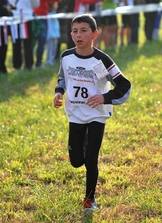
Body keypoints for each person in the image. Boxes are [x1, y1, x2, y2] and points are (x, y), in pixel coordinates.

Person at [53, 14, 131, 210]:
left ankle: (90, 200)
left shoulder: (100, 61)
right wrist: (58, 92)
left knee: (90, 160)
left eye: (84, 31)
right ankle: (84, 143)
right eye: (75, 31)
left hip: (97, 115)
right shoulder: (66, 57)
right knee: (76, 161)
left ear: (94, 34)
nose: (78, 35)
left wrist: (105, 98)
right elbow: (62, 78)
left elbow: (124, 85)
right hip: (76, 113)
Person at [33, 0, 61, 68]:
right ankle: (38, 63)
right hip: (41, 18)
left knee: (37, 43)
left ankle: (37, 62)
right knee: (41, 42)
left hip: (36, 17)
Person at [9, 0, 35, 70]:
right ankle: (26, 64)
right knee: (22, 43)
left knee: (22, 43)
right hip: (18, 18)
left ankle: (20, 64)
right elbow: (36, 4)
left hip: (24, 18)